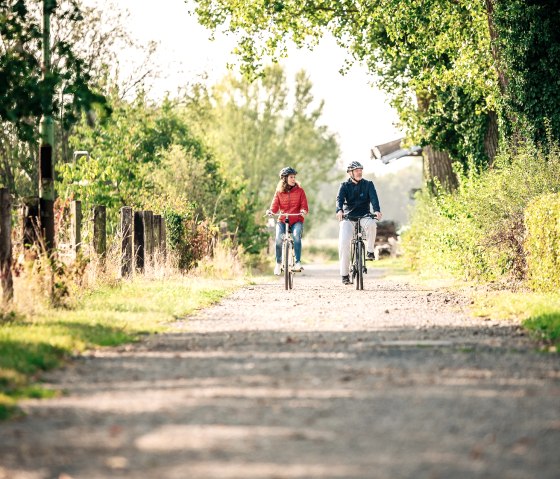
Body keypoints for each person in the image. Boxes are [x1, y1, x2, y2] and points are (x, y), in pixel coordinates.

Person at [336, 161, 382, 285]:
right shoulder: (344, 185)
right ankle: (345, 275)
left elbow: (374, 198)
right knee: (344, 243)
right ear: (350, 173)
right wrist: (339, 210)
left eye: (360, 170)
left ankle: (370, 251)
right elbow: (339, 199)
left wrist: (377, 210)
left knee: (372, 224)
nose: (359, 172)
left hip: (364, 215)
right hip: (348, 217)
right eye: (356, 170)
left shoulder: (368, 184)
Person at [267, 166, 309, 275]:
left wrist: (303, 210)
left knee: (296, 236)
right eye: (291, 177)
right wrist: (271, 211)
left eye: (294, 177)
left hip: (296, 219)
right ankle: (278, 263)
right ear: (284, 179)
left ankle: (298, 262)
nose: (293, 179)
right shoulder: (279, 192)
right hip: (282, 220)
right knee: (278, 240)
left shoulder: (300, 191)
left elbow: (304, 205)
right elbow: (275, 206)